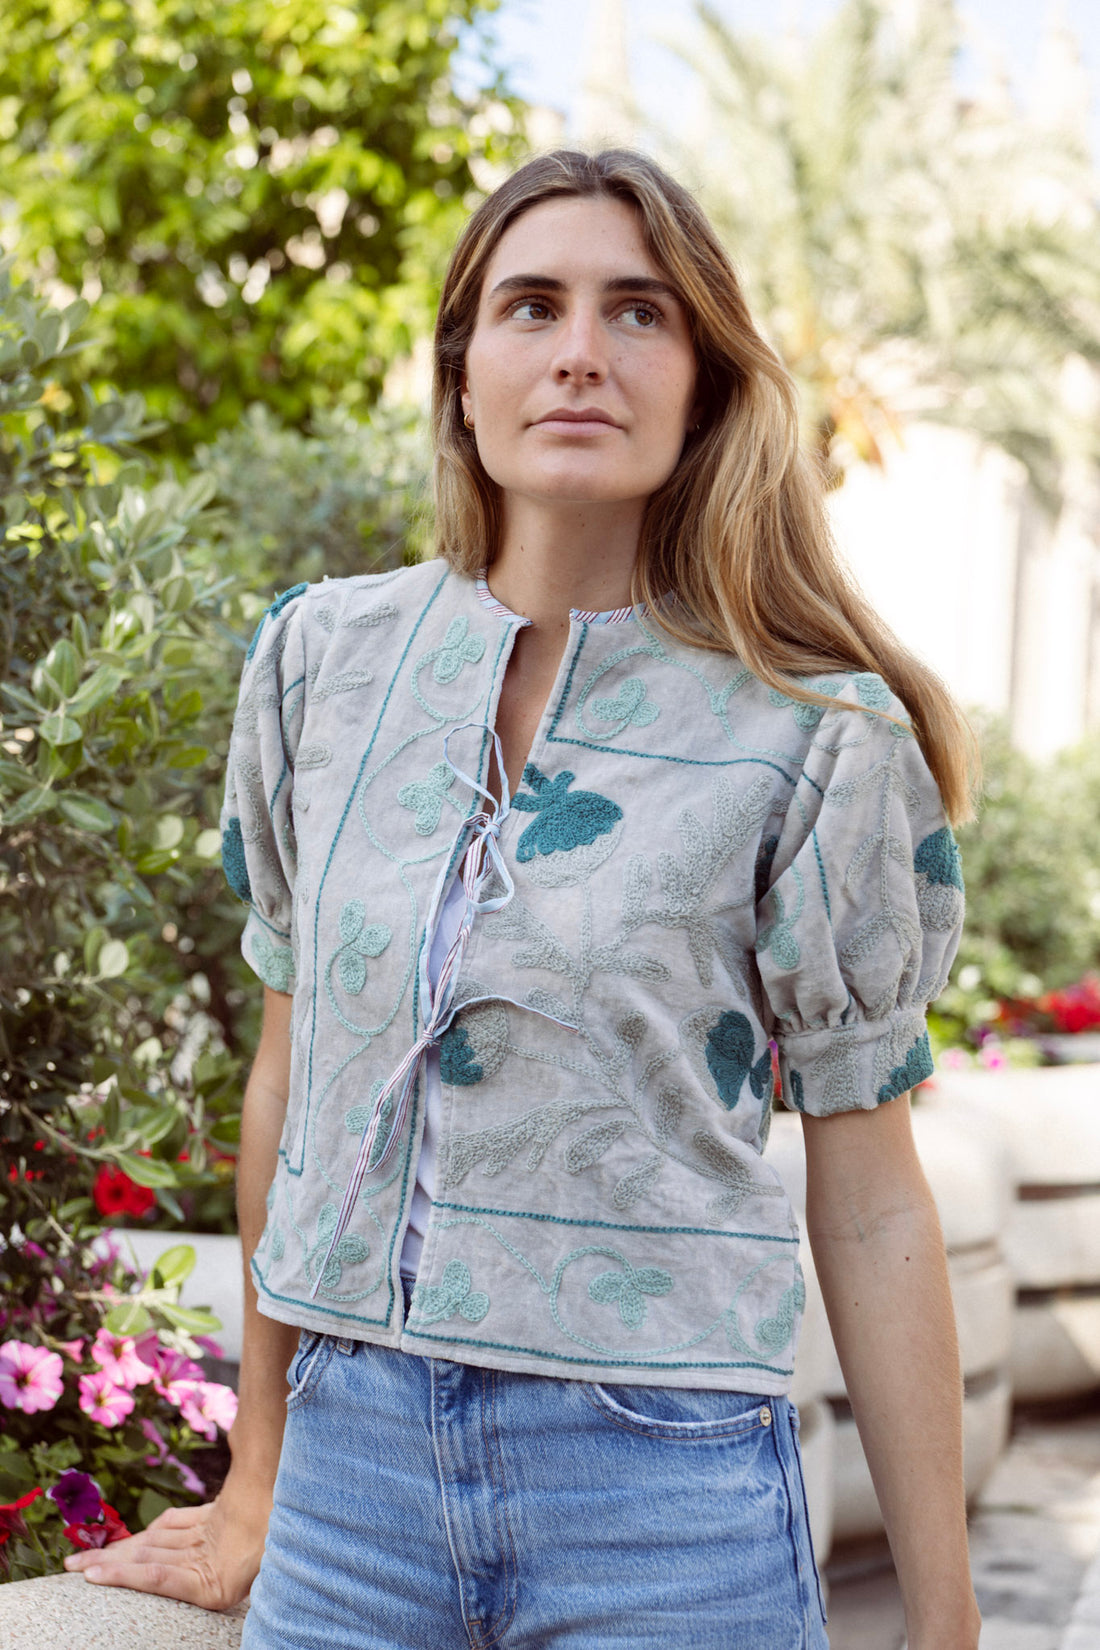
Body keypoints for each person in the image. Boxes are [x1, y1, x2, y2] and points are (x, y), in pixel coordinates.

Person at [66, 148, 981, 1649]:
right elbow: (294, 1089)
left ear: (702, 386)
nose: (579, 353)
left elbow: (873, 1195)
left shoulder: (819, 735)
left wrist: (946, 1620)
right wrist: (256, 1483)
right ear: (461, 371)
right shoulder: (319, 664)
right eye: (532, 306)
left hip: (666, 1508)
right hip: (348, 1505)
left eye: (639, 312)